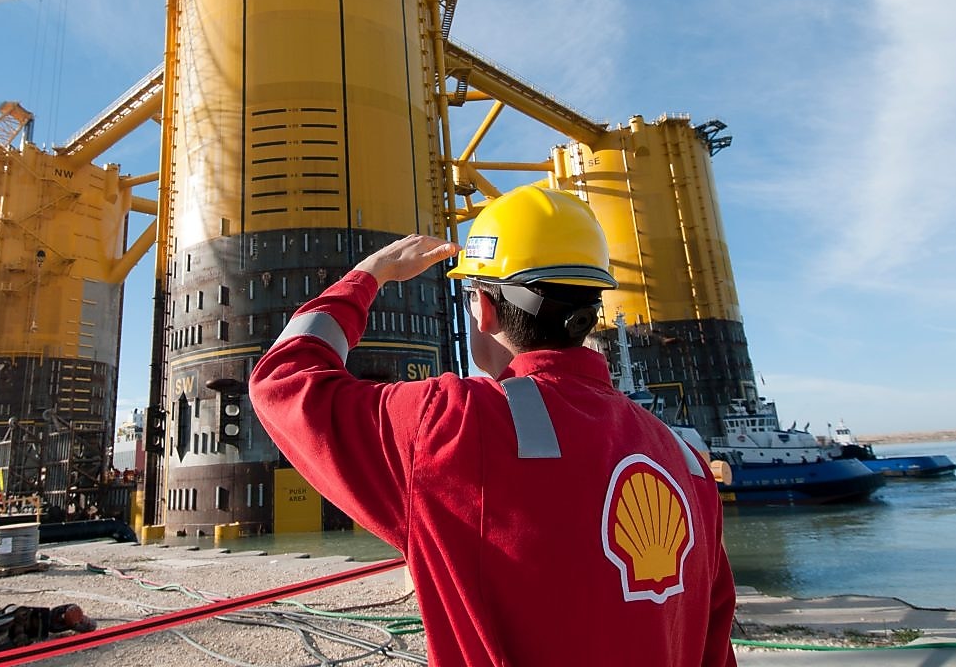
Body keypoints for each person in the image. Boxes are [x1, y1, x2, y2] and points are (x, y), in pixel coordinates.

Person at [250, 186, 737, 666]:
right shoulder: (688, 465)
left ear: (483, 308)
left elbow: (282, 382)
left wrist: (366, 277)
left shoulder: (456, 423)